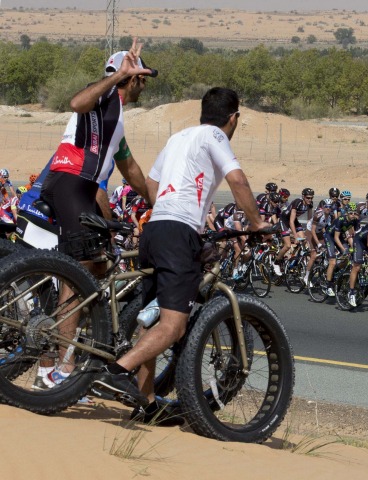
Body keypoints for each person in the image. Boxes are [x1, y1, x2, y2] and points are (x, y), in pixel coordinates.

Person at [93, 87, 269, 424]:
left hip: (155, 230)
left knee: (152, 318)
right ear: (233, 118)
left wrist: (171, 212)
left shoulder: (178, 138)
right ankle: (117, 371)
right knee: (173, 326)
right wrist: (257, 222)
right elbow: (237, 180)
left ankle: (145, 403)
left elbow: (152, 186)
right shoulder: (215, 136)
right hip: (177, 232)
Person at [35, 42, 155, 389]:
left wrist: (157, 203)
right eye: (141, 78)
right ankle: (58, 369)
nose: (144, 85)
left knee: (99, 267)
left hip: (82, 189)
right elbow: (76, 102)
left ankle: (77, 351)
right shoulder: (101, 99)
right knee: (80, 272)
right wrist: (119, 74)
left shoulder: (115, 119)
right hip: (69, 181)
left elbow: (129, 167)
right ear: (129, 79)